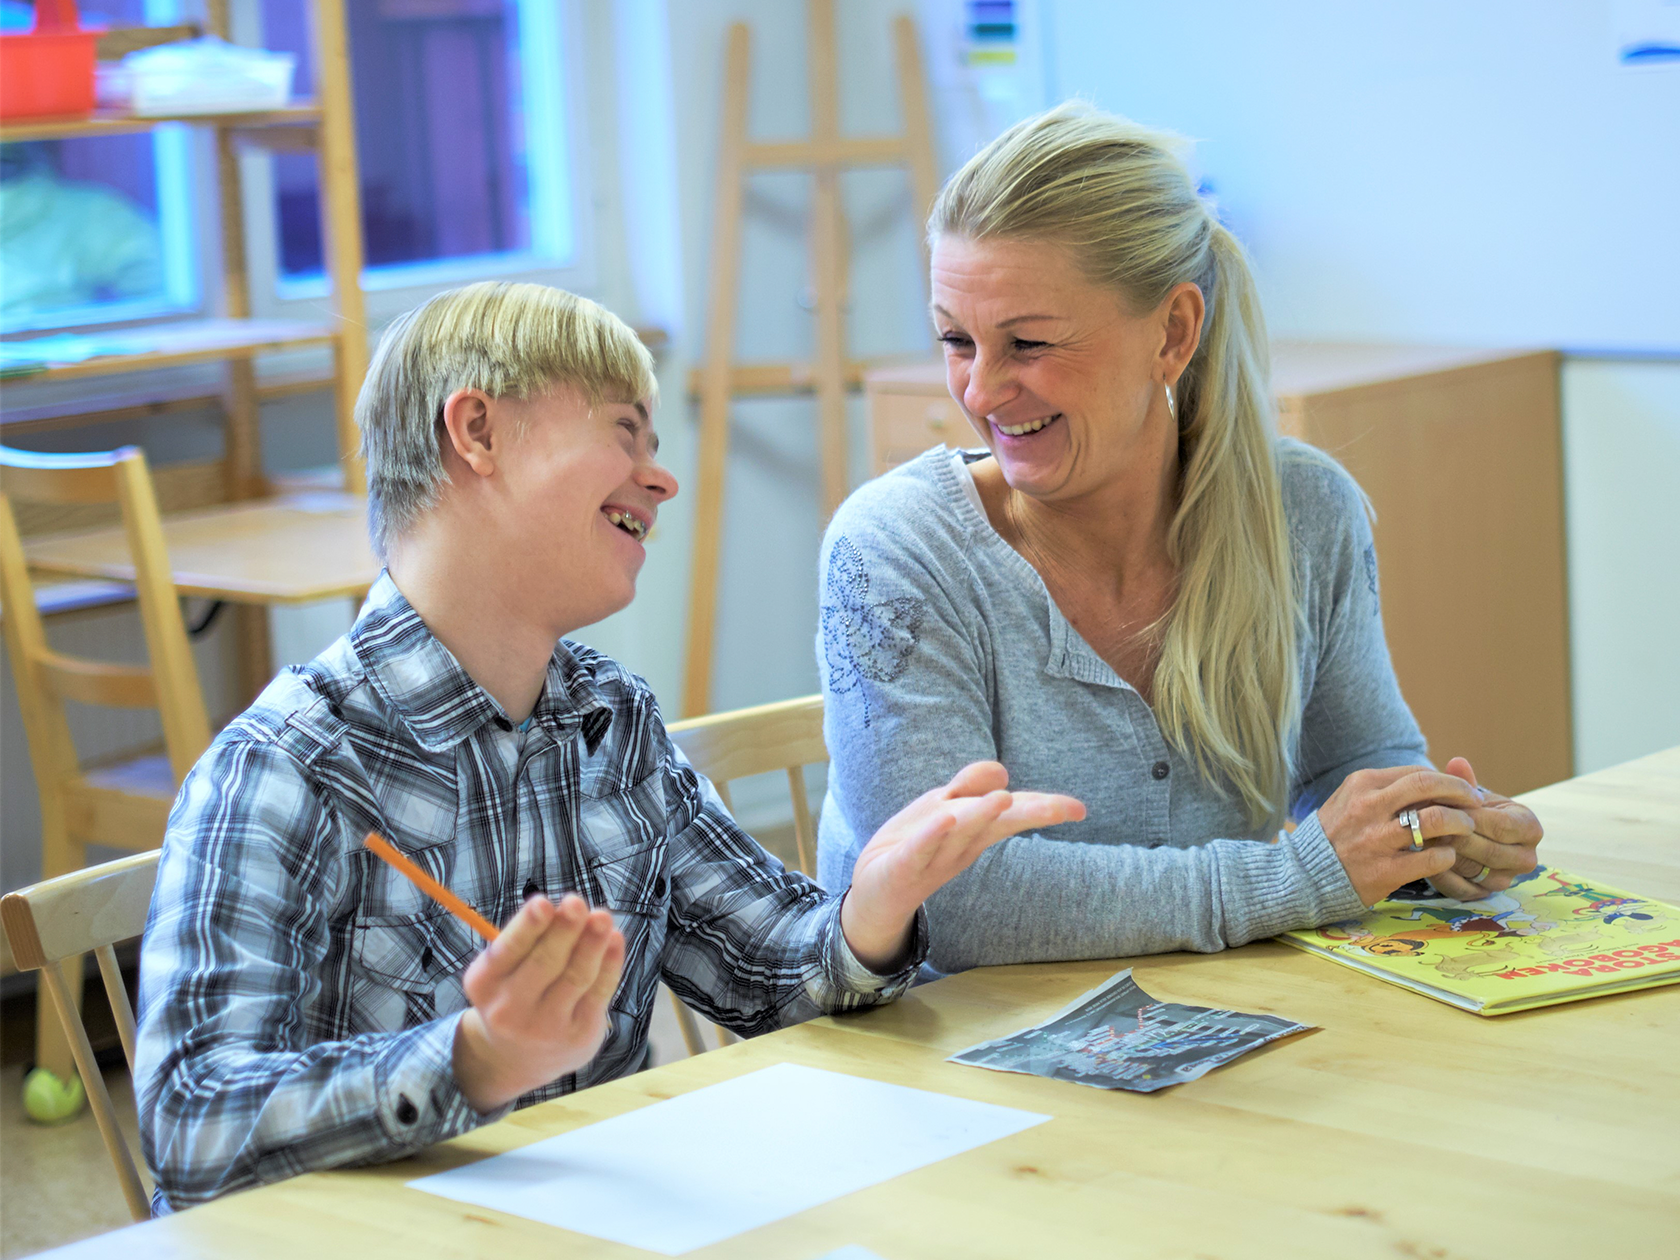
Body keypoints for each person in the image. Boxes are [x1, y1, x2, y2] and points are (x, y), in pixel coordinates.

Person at [132, 281, 1084, 1210]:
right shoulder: (286, 766)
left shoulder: (612, 723)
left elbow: (770, 977)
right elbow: (190, 1127)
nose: (662, 479)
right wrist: (476, 1059)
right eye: (625, 432)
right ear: (476, 432)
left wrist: (871, 910)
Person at [816, 103, 1542, 976]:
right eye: (956, 339)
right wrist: (1295, 879)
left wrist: (1438, 830)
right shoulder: (894, 549)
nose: (980, 390)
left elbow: (1356, 762)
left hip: (1213, 1017)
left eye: (1029, 343)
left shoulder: (1305, 509)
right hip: (953, 1043)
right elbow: (947, 900)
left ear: (1173, 333)